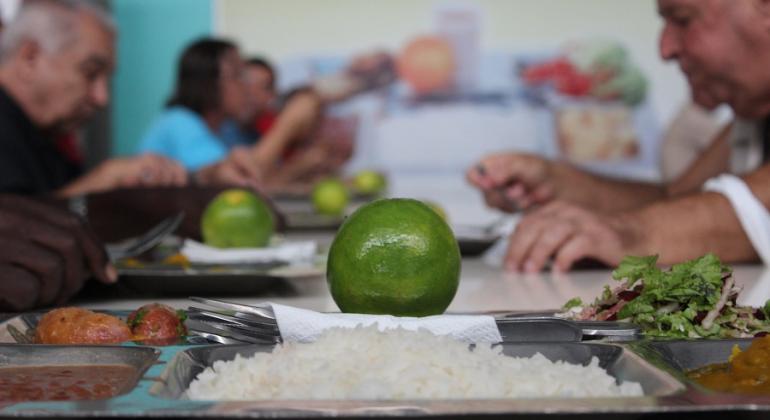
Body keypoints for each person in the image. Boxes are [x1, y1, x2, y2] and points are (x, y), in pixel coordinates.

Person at [468, 0, 770, 273]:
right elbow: (684, 201)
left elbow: (753, 211)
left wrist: (630, 234)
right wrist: (559, 184)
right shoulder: (754, 115)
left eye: (682, 19)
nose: (665, 49)